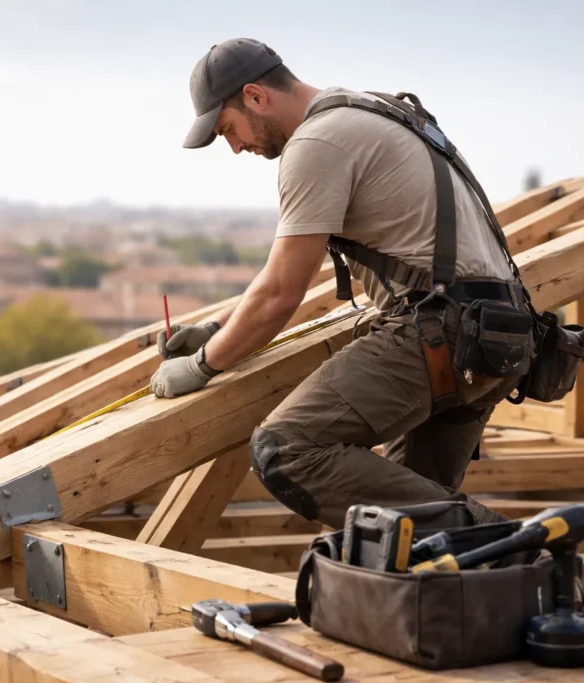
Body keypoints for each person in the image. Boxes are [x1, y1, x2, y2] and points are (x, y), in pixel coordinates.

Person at [149, 37, 533, 530]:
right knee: (400, 542)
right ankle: (499, 576)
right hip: (496, 337)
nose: (236, 146)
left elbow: (281, 294)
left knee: (285, 448)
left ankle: (508, 542)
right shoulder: (368, 110)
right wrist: (215, 326)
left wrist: (203, 364)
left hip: (443, 332)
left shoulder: (315, 145)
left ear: (255, 96)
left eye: (228, 129)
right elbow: (279, 275)